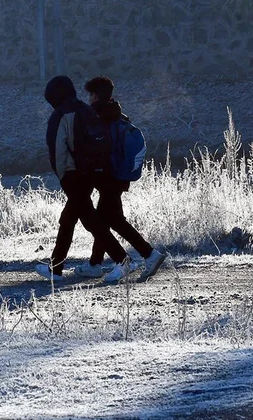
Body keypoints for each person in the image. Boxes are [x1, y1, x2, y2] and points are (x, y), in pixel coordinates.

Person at [35, 75, 132, 283]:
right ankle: (56, 267)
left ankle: (122, 260)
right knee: (68, 218)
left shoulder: (60, 115)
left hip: (72, 175)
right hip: (90, 172)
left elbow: (58, 151)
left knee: (90, 221)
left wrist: (63, 178)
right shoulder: (85, 109)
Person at [74, 76, 166, 281]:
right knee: (106, 219)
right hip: (119, 176)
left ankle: (149, 254)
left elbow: (96, 150)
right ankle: (95, 264)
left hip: (108, 177)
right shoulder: (118, 114)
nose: (88, 99)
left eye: (90, 95)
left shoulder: (98, 116)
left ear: (95, 95)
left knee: (110, 220)